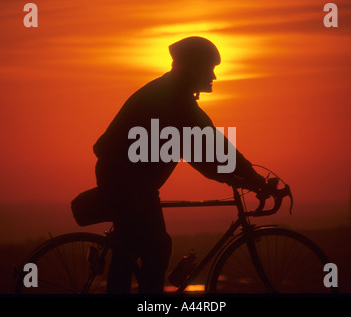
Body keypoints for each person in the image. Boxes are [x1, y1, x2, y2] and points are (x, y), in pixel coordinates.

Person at [93, 36, 269, 294]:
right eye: (210, 69)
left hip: (128, 177)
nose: (214, 77)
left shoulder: (172, 93)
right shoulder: (175, 100)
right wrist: (252, 180)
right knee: (156, 246)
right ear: (193, 67)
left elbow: (208, 151)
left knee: (130, 247)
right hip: (128, 179)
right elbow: (210, 151)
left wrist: (244, 177)